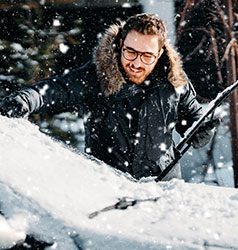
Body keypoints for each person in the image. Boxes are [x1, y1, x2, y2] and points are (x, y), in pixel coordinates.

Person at [0, 13, 217, 181]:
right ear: (121, 44)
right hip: (108, 190)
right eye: (131, 52)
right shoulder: (97, 77)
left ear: (159, 55)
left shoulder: (175, 82)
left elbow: (194, 119)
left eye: (147, 56)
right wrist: (26, 99)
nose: (137, 63)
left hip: (164, 191)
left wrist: (202, 129)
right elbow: (56, 88)